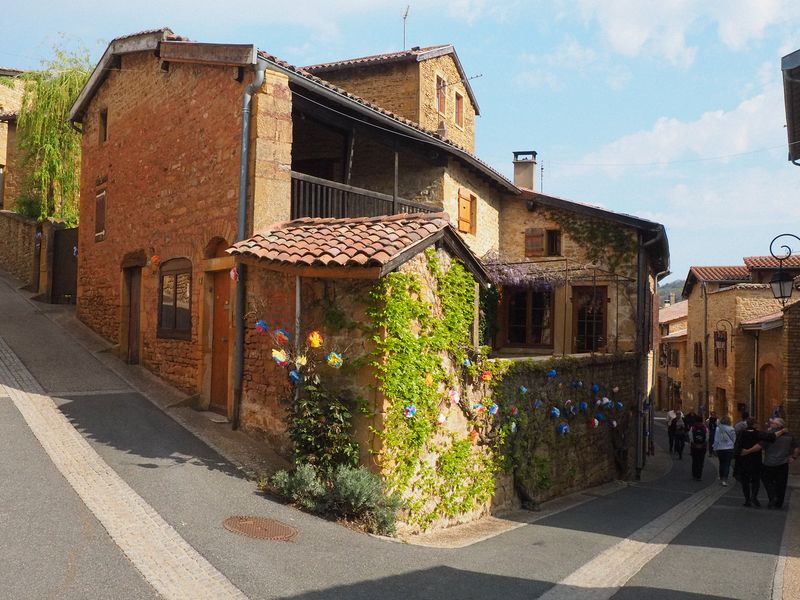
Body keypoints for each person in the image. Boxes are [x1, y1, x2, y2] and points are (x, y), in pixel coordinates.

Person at [745, 418, 799, 509]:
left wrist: (747, 451)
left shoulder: (769, 435)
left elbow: (759, 446)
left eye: (772, 423)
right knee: (781, 484)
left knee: (767, 480)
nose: (770, 424)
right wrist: (794, 457)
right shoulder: (790, 435)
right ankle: (778, 503)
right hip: (783, 463)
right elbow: (797, 447)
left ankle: (772, 497)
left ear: (777, 425)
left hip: (769, 463)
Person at [736, 418, 785, 507]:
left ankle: (747, 500)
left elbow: (737, 446)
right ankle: (754, 496)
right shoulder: (758, 433)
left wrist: (739, 454)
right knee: (755, 480)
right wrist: (782, 431)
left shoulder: (741, 433)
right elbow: (771, 437)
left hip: (743, 461)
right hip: (755, 460)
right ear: (755, 424)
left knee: (745, 481)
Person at [713, 415, 736, 486]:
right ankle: (724, 480)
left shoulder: (718, 429)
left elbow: (716, 440)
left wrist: (714, 448)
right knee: (727, 464)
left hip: (720, 448)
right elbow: (734, 439)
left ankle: (721, 476)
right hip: (729, 448)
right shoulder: (731, 429)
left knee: (721, 463)